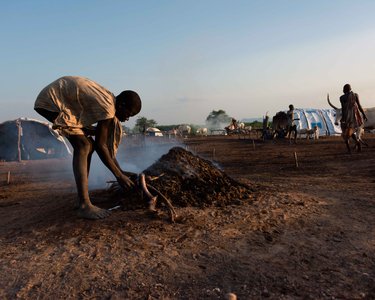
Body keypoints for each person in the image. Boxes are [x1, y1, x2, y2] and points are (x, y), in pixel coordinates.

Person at [34, 76, 142, 220]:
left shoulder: (109, 102)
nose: (127, 119)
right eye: (129, 114)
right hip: (51, 101)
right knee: (84, 145)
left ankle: (82, 200)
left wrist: (121, 172)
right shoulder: (108, 109)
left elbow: (105, 147)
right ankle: (84, 205)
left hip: (58, 99)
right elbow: (101, 146)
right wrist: (119, 176)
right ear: (121, 105)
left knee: (87, 145)